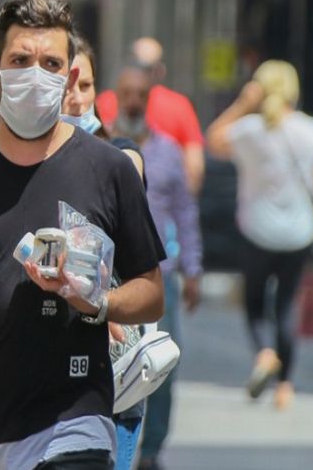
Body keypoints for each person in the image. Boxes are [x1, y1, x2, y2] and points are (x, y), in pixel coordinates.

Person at [0, 0, 166, 470]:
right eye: (21, 60)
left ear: (71, 77)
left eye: (51, 62)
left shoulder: (109, 169)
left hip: (76, 421)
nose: (36, 74)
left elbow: (150, 292)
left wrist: (98, 301)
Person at [206, 60, 313, 411]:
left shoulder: (249, 130)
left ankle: (264, 353)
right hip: (299, 233)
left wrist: (244, 103)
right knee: (288, 304)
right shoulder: (310, 130)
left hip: (257, 230)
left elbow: (213, 139)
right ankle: (286, 386)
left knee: (256, 303)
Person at [60, 36, 146, 470]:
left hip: (111, 352)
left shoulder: (122, 157)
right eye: (66, 85)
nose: (75, 99)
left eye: (86, 86)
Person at [111, 64, 203, 470]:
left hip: (159, 276)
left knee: (162, 364)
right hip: (115, 279)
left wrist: (193, 268)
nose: (133, 100)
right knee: (117, 369)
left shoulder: (168, 152)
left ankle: (151, 451)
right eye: (126, 93)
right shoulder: (103, 149)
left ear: (150, 99)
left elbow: (185, 212)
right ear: (117, 96)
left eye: (140, 94)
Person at [96, 37, 205, 194]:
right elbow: (195, 170)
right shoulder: (104, 103)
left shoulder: (179, 106)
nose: (133, 102)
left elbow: (194, 167)